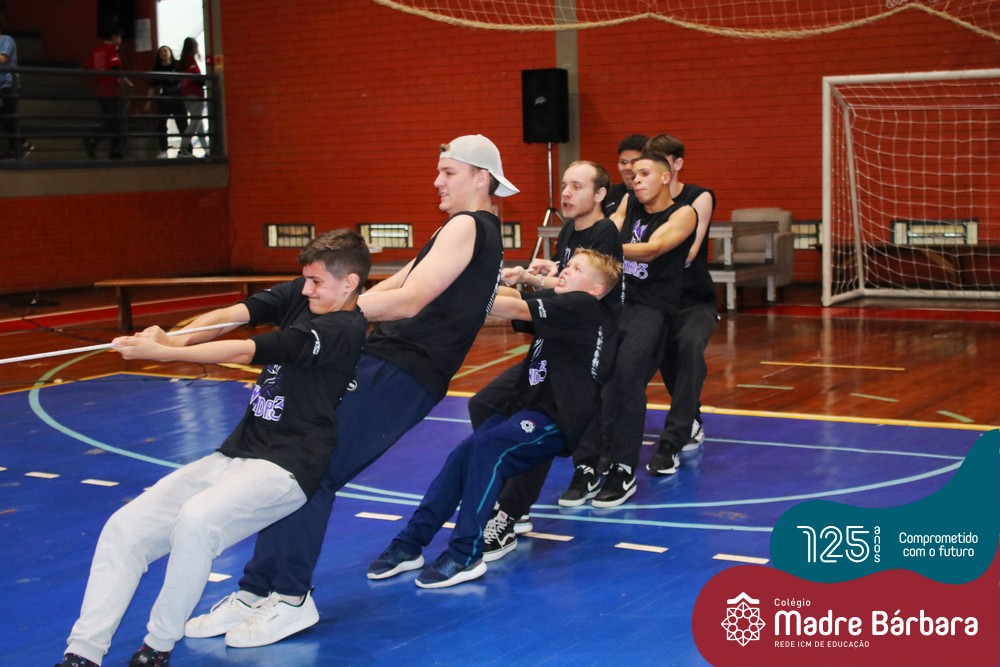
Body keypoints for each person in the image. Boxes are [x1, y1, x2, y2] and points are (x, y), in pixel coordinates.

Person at [183, 134, 516, 648]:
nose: (437, 181)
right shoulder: (456, 229)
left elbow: (409, 301)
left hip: (403, 372)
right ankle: (255, 591)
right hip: (382, 360)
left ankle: (289, 598)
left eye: (448, 172)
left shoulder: (469, 225)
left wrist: (331, 315)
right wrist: (335, 305)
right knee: (290, 462)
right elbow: (391, 285)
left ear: (481, 178)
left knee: (310, 469)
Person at [57, 229, 372, 667]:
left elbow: (250, 349)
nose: (306, 289)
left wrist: (163, 354)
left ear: (350, 282)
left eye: (316, 281)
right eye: (306, 279)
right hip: (237, 454)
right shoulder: (306, 294)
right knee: (124, 529)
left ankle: (156, 648)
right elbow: (231, 315)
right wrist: (173, 339)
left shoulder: (344, 329)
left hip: (287, 468)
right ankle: (82, 654)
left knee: (196, 520)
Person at [367, 249, 621, 588]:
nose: (565, 270)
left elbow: (515, 309)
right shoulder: (563, 303)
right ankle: (410, 543)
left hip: (556, 417)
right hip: (527, 406)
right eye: (568, 264)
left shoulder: (583, 305)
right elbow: (514, 297)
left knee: (489, 449)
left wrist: (446, 291)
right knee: (462, 456)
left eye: (576, 269)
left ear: (596, 289)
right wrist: (471, 277)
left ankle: (465, 555)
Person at [473, 160, 623, 559]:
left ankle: (514, 508)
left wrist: (516, 282)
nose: (566, 193)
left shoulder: (604, 236)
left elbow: (582, 287)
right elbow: (560, 283)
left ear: (600, 194)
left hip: (576, 354)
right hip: (552, 343)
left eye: (577, 186)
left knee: (539, 426)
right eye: (565, 185)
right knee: (486, 403)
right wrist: (546, 272)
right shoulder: (571, 231)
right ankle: (506, 482)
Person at [572, 148, 698, 508]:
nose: (636, 179)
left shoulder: (683, 213)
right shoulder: (628, 203)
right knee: (593, 375)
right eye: (633, 174)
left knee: (627, 376)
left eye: (644, 174)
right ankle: (591, 463)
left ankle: (623, 468)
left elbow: (654, 248)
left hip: (651, 310)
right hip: (615, 304)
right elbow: (608, 228)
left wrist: (601, 250)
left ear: (665, 177)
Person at [644, 134, 719, 474]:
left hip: (693, 300)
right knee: (653, 357)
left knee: (688, 346)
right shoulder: (638, 202)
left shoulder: (697, 198)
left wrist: (642, 250)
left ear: (676, 164)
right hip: (654, 298)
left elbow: (686, 253)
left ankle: (673, 439)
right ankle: (690, 417)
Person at [84, 28, 131, 159]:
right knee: (116, 120)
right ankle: (94, 139)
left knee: (113, 120)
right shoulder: (111, 50)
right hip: (111, 90)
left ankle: (115, 151)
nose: (120, 40)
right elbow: (116, 67)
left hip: (100, 90)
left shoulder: (97, 50)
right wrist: (127, 81)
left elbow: (88, 66)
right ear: (114, 36)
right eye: (119, 37)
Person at [0, 17, 32, 159]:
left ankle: (22, 145)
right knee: (5, 117)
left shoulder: (6, 39)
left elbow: (3, 58)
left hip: (8, 84)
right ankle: (18, 146)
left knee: (8, 116)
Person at [148, 45, 187, 159]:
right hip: (164, 96)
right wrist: (148, 102)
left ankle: (186, 149)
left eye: (166, 51)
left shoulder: (177, 65)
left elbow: (185, 79)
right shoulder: (157, 68)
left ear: (170, 52)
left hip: (177, 96)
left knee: (182, 123)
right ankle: (163, 150)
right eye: (161, 52)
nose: (164, 53)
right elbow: (153, 86)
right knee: (161, 125)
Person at [601, 133, 647, 218]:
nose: (628, 167)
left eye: (634, 162)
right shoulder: (610, 193)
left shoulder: (655, 195)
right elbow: (613, 221)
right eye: (623, 162)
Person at [177, 37, 208, 158]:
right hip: (195, 94)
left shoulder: (183, 61)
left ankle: (207, 149)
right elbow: (195, 77)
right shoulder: (190, 61)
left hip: (187, 94)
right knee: (195, 122)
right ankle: (183, 148)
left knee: (199, 124)